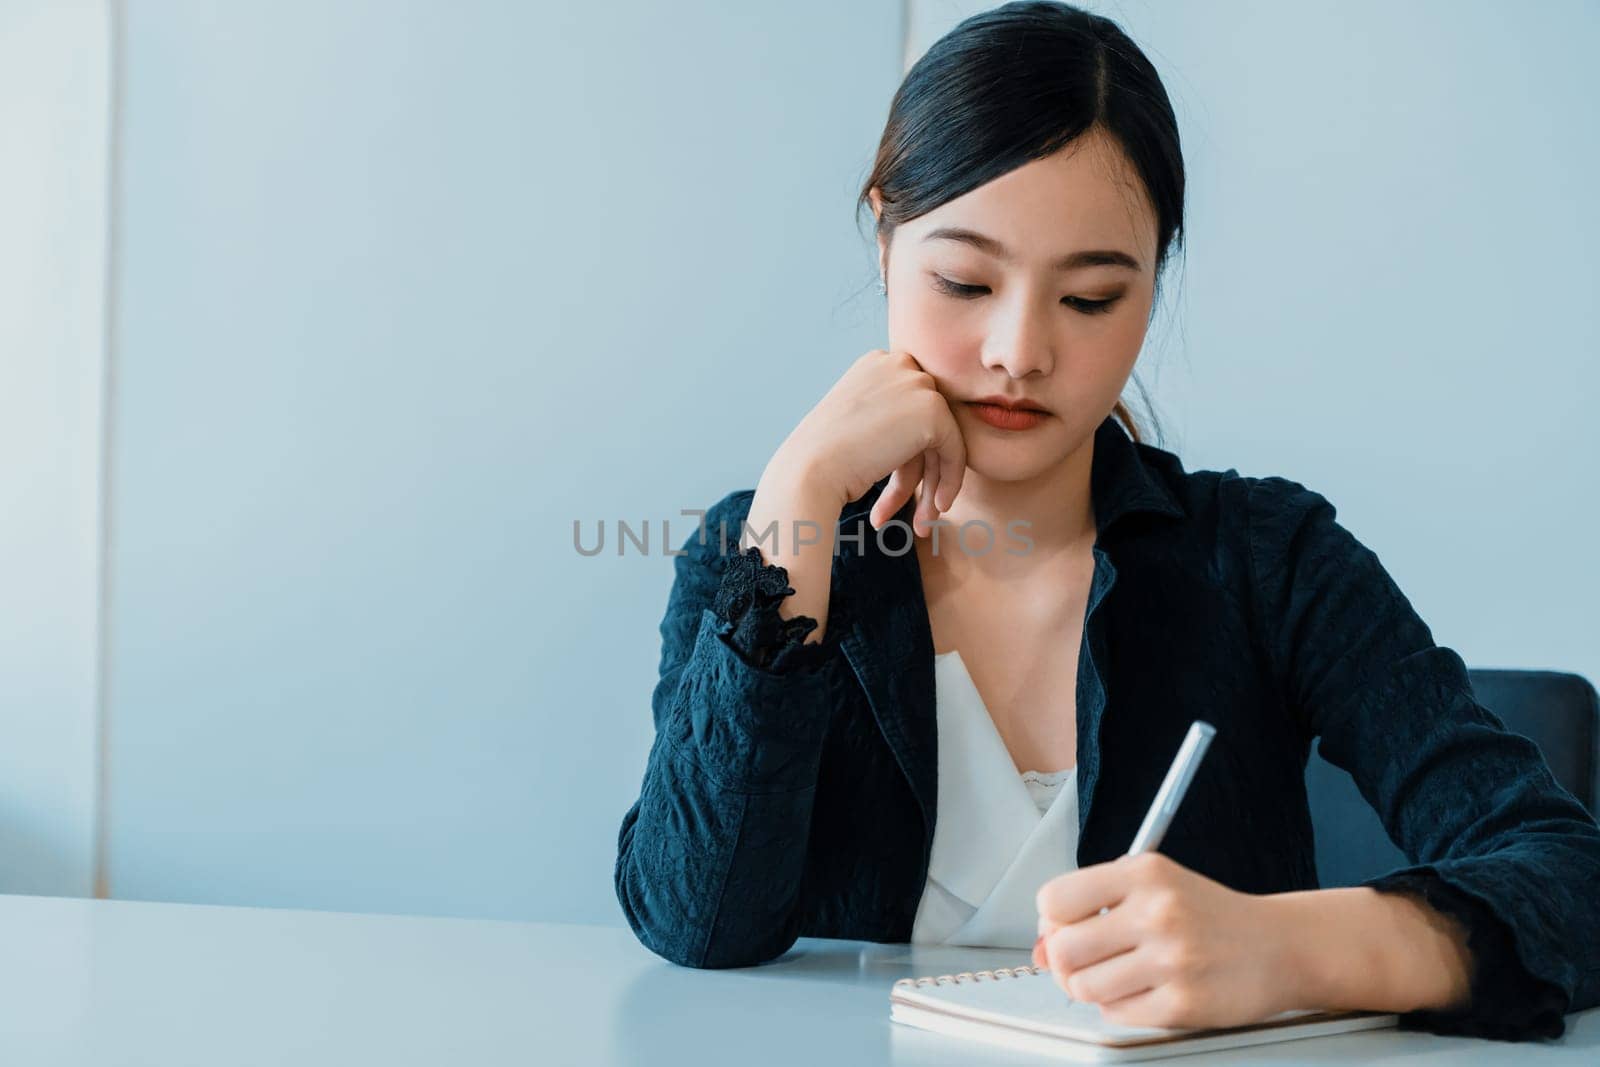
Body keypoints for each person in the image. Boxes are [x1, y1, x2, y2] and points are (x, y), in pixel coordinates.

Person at [614, 0, 1600, 1041]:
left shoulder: (1268, 559)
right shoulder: (769, 543)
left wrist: (1288, 947)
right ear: (883, 233)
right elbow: (697, 922)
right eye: (963, 280)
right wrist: (802, 488)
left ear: (1154, 278)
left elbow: (1569, 877)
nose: (1018, 349)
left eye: (1089, 297)